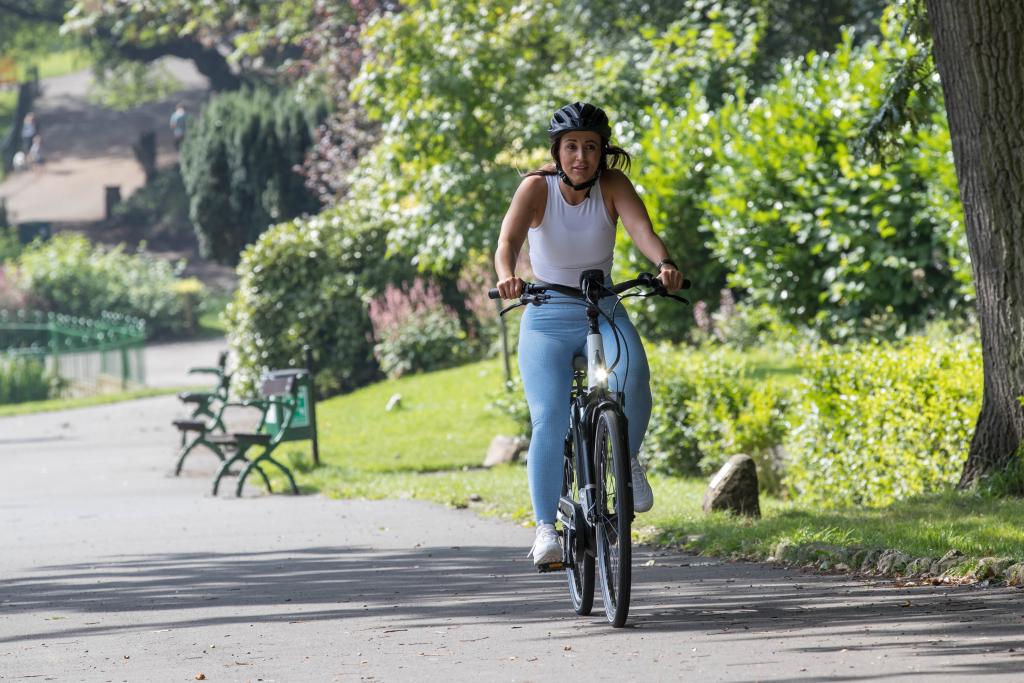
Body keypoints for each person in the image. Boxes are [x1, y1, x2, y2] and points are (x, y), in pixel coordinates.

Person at [493, 102, 685, 568]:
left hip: (602, 306)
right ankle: (545, 531)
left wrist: (663, 263)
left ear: (603, 154)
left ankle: (627, 459)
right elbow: (507, 245)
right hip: (547, 314)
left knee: (634, 378)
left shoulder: (613, 186)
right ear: (557, 151)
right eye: (572, 146)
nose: (582, 156)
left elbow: (643, 230)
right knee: (550, 417)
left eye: (591, 147)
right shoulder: (535, 188)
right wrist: (507, 276)